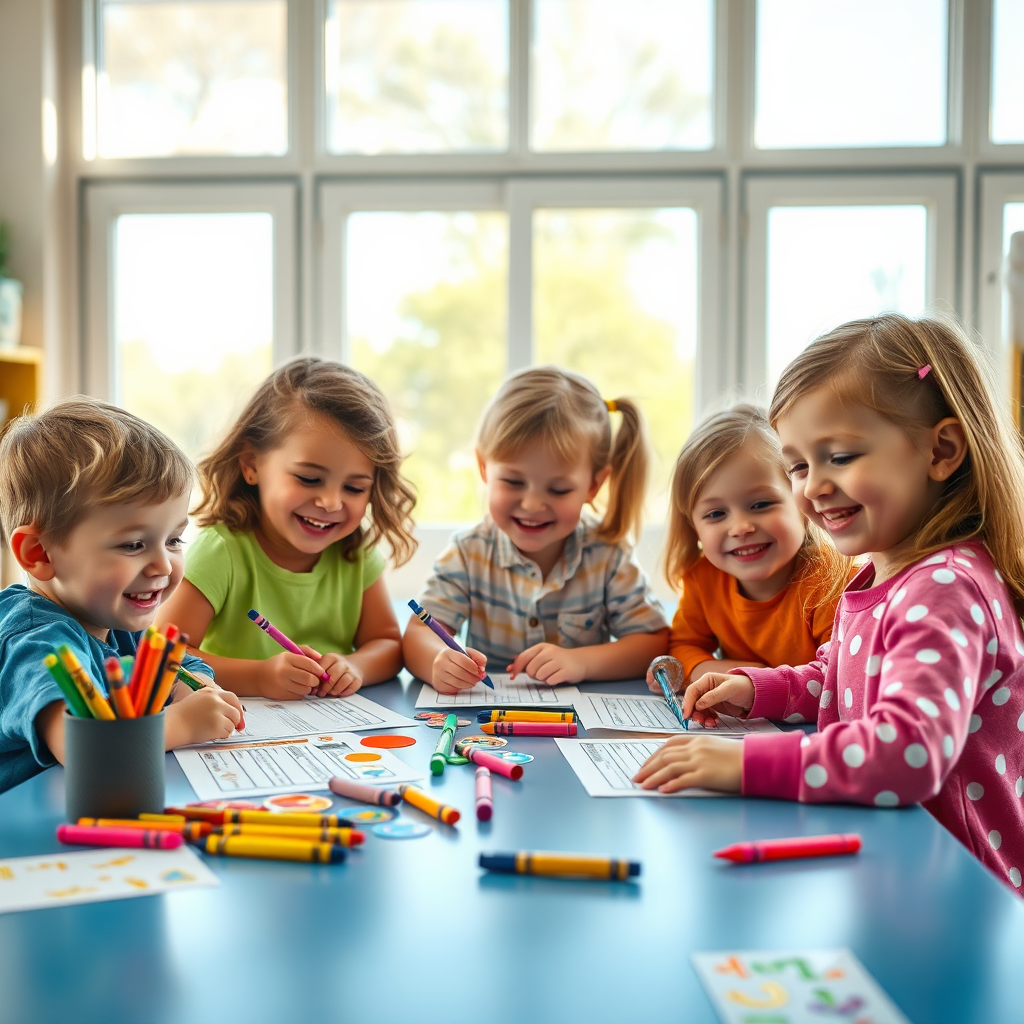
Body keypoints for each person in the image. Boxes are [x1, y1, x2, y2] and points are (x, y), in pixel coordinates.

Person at [634, 314, 1024, 893]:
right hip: (892, 863)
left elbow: (907, 750)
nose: (812, 485)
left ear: (941, 450)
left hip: (954, 886)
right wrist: (755, 688)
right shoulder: (888, 571)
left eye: (839, 456)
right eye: (798, 465)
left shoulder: (946, 588)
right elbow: (842, 679)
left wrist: (742, 765)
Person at [0, 397, 243, 793]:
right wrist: (183, 723)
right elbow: (84, 750)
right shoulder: (37, 643)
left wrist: (195, 686)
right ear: (39, 553)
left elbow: (173, 665)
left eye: (174, 539)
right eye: (133, 545)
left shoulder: (111, 618)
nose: (163, 566)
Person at [158, 357, 416, 700]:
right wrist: (259, 677)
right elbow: (163, 654)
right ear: (251, 465)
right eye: (309, 479)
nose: (330, 502)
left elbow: (386, 644)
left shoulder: (356, 553)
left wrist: (356, 667)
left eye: (354, 488)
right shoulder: (222, 551)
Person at [403, 366, 668, 693]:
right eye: (513, 482)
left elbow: (654, 643)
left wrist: (581, 662)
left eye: (558, 490)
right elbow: (418, 634)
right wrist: (437, 660)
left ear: (593, 486)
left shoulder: (608, 554)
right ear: (485, 468)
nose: (531, 505)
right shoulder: (468, 552)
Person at [647, 404, 851, 695]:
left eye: (761, 505)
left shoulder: (831, 582)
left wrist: (753, 682)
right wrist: (735, 675)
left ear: (802, 501)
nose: (740, 527)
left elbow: (838, 679)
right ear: (694, 528)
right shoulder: (703, 579)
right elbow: (684, 648)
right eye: (716, 514)